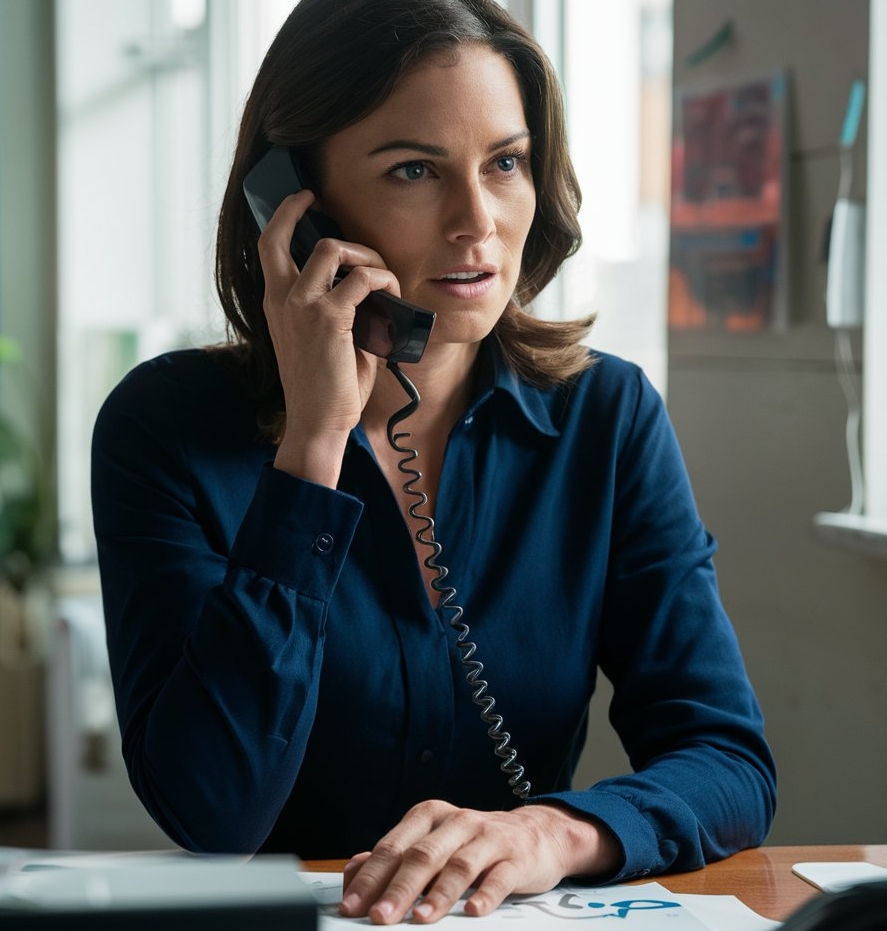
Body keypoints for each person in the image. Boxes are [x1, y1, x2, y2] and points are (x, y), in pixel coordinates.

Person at [91, 0, 776, 924]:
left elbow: (726, 761)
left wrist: (547, 832)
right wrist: (313, 447)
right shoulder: (164, 426)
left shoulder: (604, 417)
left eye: (504, 163)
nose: (477, 222)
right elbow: (210, 809)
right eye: (414, 169)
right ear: (294, 201)